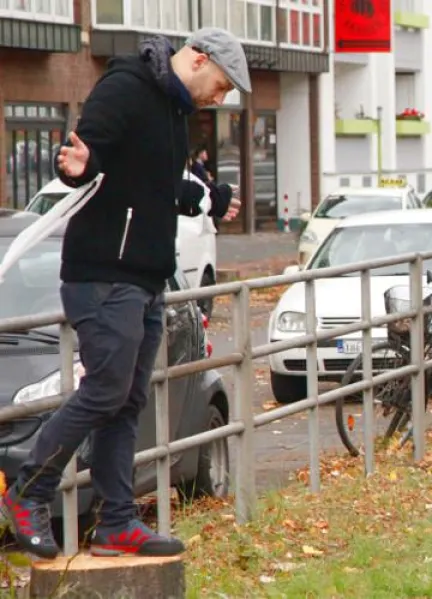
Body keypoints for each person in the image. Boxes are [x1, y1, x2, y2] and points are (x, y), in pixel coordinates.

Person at [2, 29, 248, 559]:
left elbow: (155, 185)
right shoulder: (126, 88)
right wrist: (78, 167)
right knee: (107, 391)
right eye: (221, 85)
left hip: (146, 278)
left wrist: (206, 198)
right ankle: (30, 489)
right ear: (198, 59)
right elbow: (85, 156)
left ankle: (117, 523)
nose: (220, 98)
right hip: (102, 275)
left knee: (128, 401)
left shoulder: (174, 111)